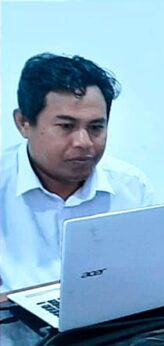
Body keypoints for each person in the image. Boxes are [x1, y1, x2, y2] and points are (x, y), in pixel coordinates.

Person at [0, 53, 153, 293]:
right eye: (66, 126)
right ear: (23, 123)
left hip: (111, 319)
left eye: (96, 128)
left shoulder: (131, 187)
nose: (83, 142)